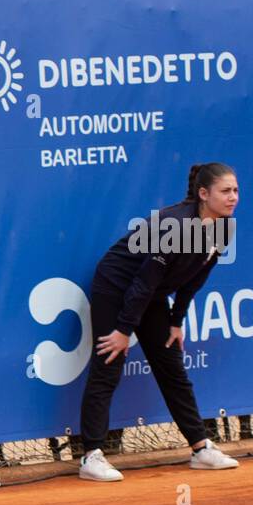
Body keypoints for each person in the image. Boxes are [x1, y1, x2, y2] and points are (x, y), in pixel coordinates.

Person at [77, 164, 242, 482]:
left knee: (172, 367)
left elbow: (195, 279)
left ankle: (200, 449)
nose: (233, 197)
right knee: (108, 362)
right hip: (116, 286)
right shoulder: (175, 226)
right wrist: (123, 330)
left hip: (150, 294)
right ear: (204, 194)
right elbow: (142, 281)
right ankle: (91, 456)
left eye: (235, 190)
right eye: (226, 191)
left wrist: (176, 320)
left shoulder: (224, 226)